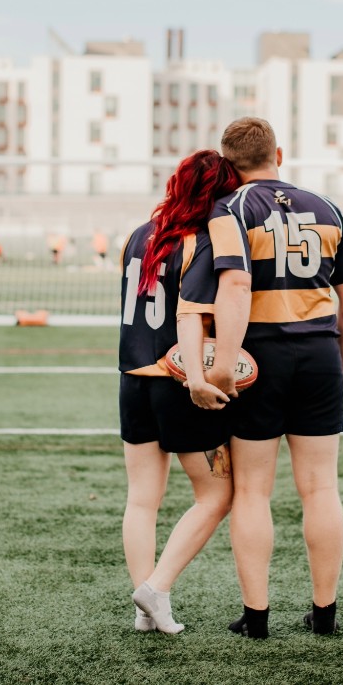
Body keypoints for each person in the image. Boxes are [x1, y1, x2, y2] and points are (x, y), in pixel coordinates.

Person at [205, 117, 343, 639]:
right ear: (279, 152)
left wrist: (224, 363)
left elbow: (232, 289)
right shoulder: (328, 207)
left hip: (259, 357)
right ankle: (324, 616)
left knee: (252, 491)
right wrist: (335, 362)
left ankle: (256, 619)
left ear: (229, 164)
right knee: (321, 488)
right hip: (319, 353)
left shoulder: (230, 208)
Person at [119, 150, 241, 636]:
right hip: (177, 379)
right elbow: (192, 313)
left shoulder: (139, 233)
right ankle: (157, 588)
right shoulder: (203, 238)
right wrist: (199, 374)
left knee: (141, 499)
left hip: (131, 379)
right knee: (218, 492)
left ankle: (143, 606)